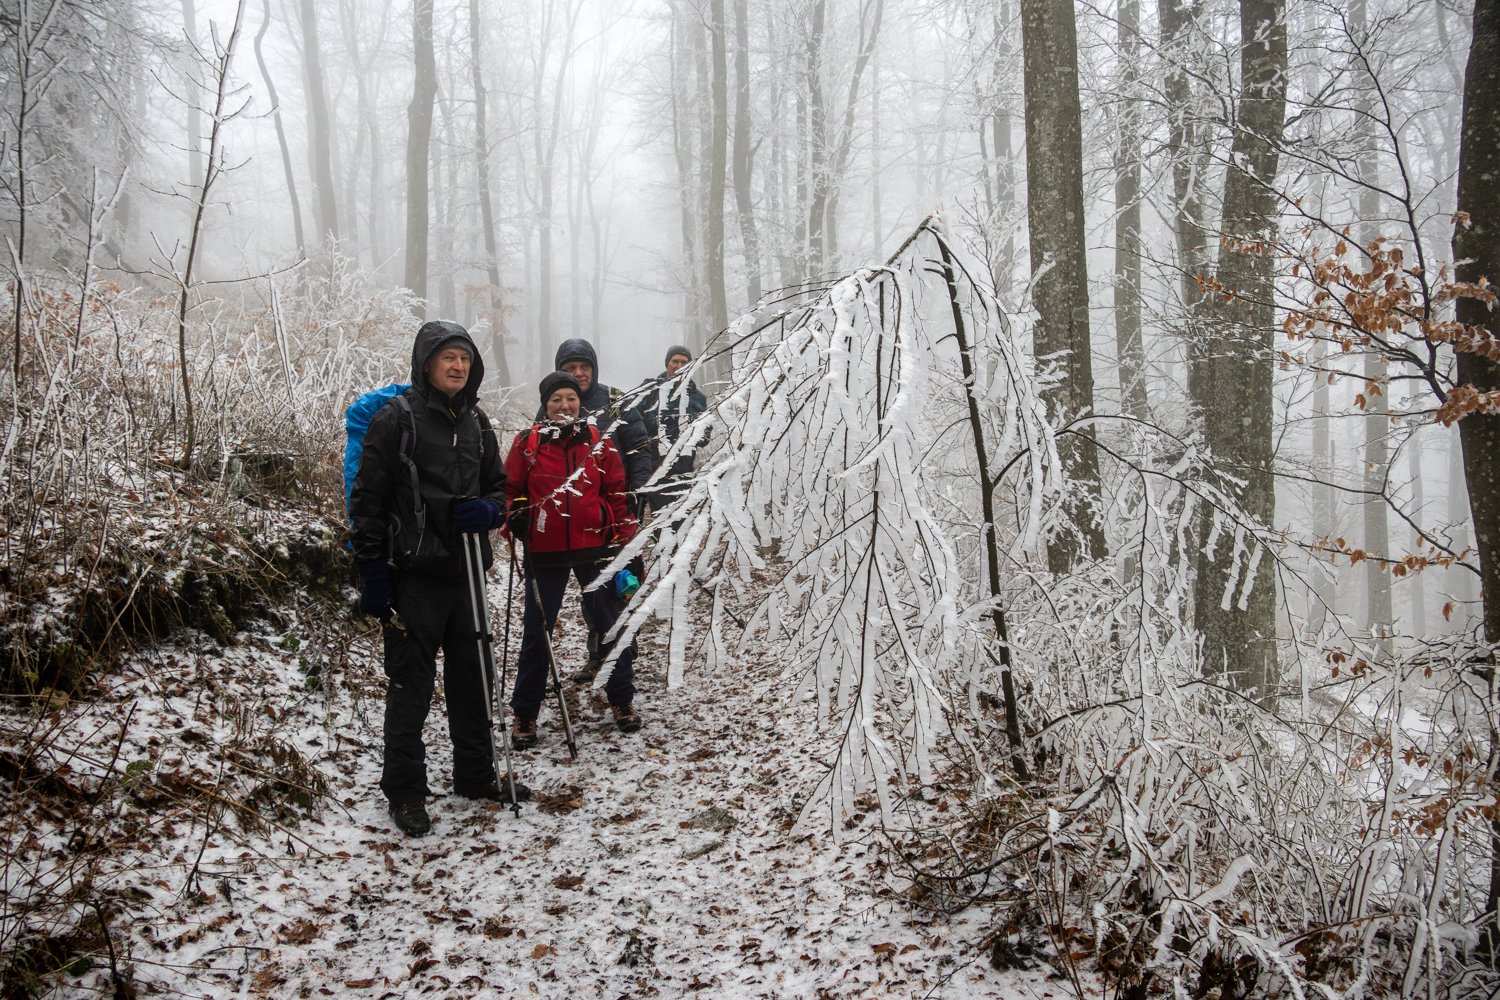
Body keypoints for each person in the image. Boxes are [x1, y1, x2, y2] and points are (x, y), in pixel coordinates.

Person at [349, 320, 528, 838]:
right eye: (448, 357)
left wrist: (490, 510)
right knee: (411, 688)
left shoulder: (476, 421)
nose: (458, 366)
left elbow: (498, 486)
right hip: (412, 577)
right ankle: (405, 792)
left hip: (467, 572)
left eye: (465, 359)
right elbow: (368, 500)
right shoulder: (396, 420)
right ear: (426, 363)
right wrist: (372, 575)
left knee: (473, 680)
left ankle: (475, 775)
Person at [504, 371, 644, 745]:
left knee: (609, 625)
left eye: (570, 398)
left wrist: (626, 539)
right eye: (556, 400)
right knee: (537, 633)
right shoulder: (527, 443)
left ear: (580, 403)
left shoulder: (599, 442)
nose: (564, 405)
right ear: (545, 405)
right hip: (544, 552)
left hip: (594, 547)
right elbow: (509, 489)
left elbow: (616, 491)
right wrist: (515, 514)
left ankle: (622, 699)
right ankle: (525, 713)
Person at [547, 338, 652, 682]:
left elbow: (639, 449)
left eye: (584, 367)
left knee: (621, 585)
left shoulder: (616, 401)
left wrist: (636, 495)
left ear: (594, 368)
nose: (578, 373)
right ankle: (599, 655)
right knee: (593, 594)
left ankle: (622, 656)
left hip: (617, 513)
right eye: (570, 368)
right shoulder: (552, 404)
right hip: (575, 521)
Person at [633, 344, 708, 519]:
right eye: (675, 361)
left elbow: (704, 437)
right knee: (655, 521)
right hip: (652, 468)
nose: (679, 366)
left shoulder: (697, 398)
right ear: (667, 363)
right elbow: (633, 424)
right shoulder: (650, 391)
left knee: (678, 522)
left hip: (683, 472)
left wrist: (700, 432)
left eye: (684, 362)